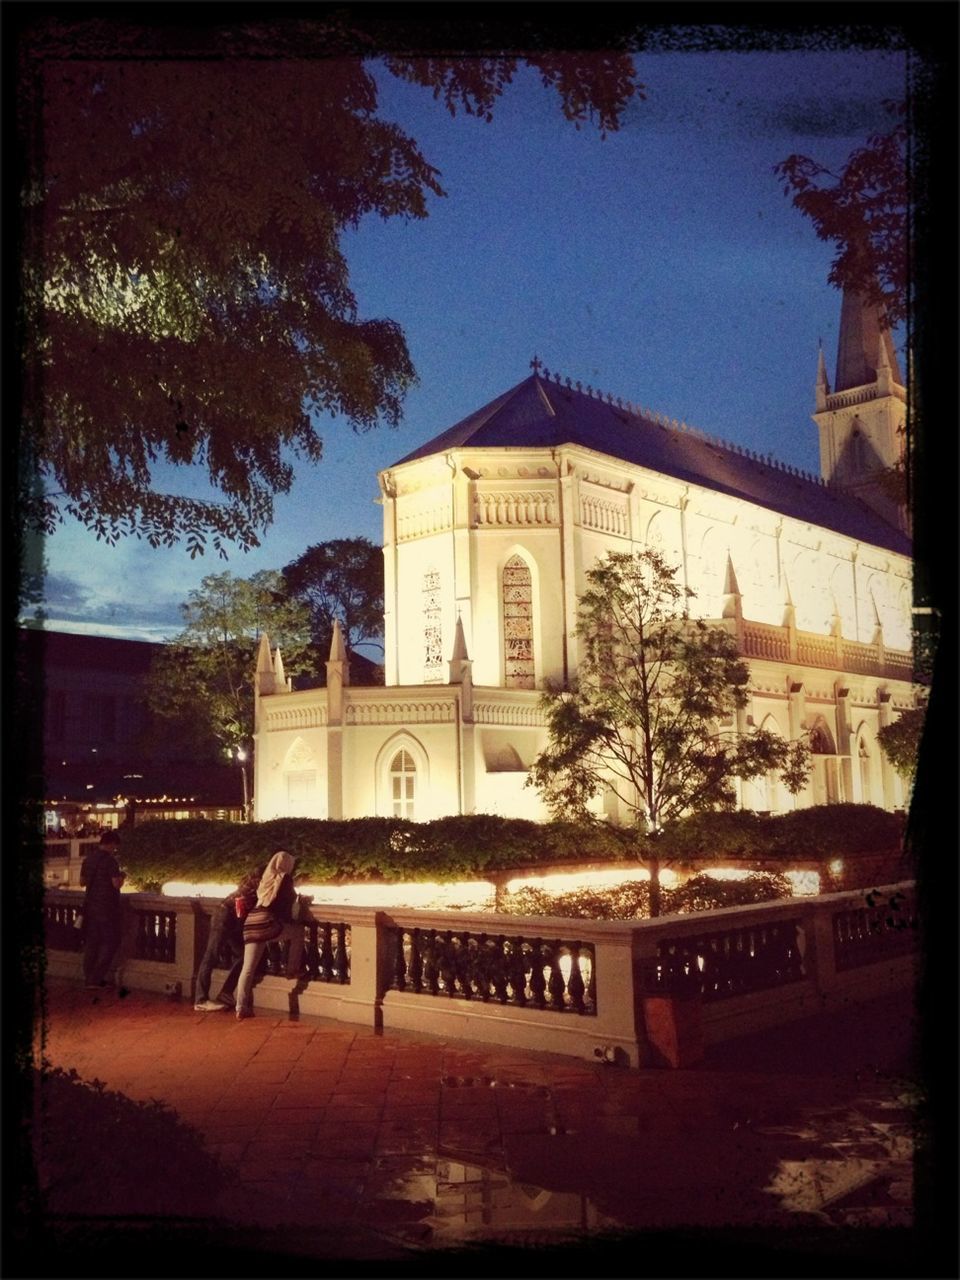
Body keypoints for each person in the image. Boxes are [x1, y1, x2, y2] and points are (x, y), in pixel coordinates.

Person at [234, 850, 304, 1020]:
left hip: (252, 921)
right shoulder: (285, 878)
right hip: (267, 922)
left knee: (247, 969)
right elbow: (287, 902)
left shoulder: (266, 878)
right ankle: (292, 970)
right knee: (297, 932)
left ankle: (241, 1007)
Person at [193, 864, 265, 1012]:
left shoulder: (251, 878)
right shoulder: (261, 881)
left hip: (230, 917)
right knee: (211, 956)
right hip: (225, 916)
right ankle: (200, 1000)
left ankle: (226, 993)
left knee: (244, 956)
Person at [79, 830, 125, 988]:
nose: (115, 849)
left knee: (92, 943)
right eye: (115, 846)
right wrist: (123, 877)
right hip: (107, 908)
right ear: (111, 843)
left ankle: (88, 977)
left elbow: (82, 882)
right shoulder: (111, 862)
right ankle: (96, 978)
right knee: (111, 942)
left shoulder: (88, 859)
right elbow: (116, 884)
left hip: (90, 907)